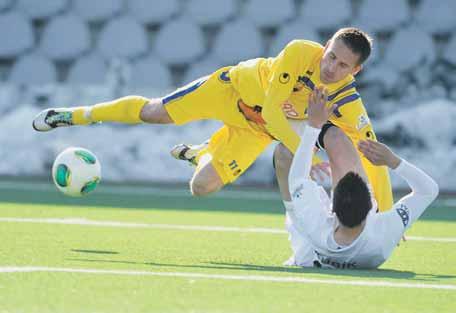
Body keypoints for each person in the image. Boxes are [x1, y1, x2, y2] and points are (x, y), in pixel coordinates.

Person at [32, 27, 392, 211]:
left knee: (200, 187)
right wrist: (308, 156)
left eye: (342, 65)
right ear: (326, 45)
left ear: (355, 70)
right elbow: (271, 109)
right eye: (330, 56)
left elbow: (371, 153)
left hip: (259, 130)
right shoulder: (300, 52)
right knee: (154, 113)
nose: (331, 67)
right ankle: (72, 115)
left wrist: (386, 212)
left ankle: (200, 153)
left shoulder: (346, 100)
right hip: (230, 92)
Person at [284, 85, 439, 269]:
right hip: (342, 247)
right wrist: (393, 161)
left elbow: (295, 180)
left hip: (309, 254)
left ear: (331, 211)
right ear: (371, 209)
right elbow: (429, 190)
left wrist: (313, 126)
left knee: (284, 153)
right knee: (332, 140)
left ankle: (297, 253)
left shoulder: (313, 224)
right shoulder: (384, 231)